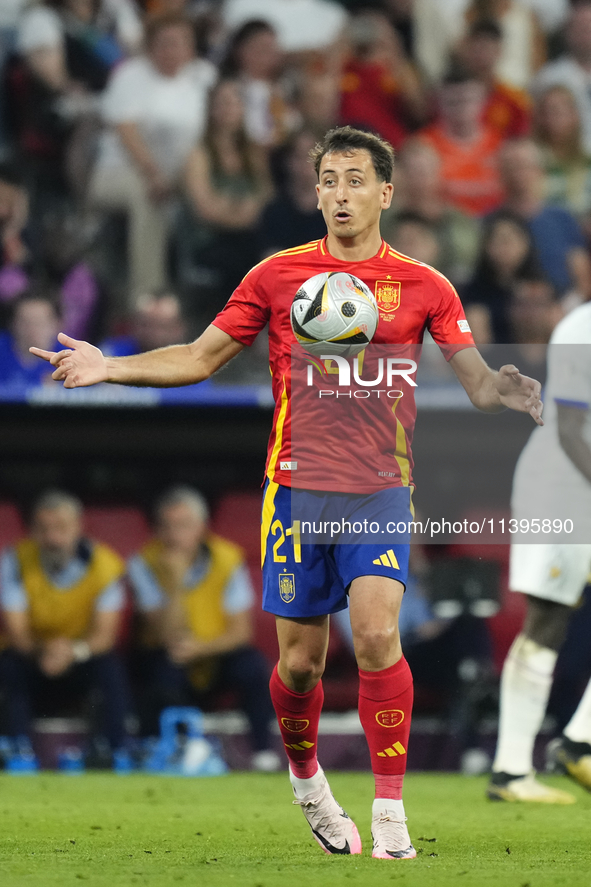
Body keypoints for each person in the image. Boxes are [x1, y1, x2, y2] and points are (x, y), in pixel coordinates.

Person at [31, 125, 543, 861]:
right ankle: (308, 784)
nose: (339, 193)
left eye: (354, 180)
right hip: (296, 495)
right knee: (299, 663)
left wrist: (503, 386)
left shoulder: (425, 286)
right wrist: (109, 367)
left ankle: (391, 810)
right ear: (316, 192)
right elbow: (200, 356)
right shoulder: (276, 276)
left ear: (385, 192)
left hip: (379, 491)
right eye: (328, 180)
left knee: (374, 635)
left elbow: (474, 381)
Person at [488, 301, 591, 802]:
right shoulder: (581, 327)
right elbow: (571, 431)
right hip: (562, 486)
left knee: (549, 624)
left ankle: (578, 743)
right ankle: (514, 770)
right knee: (547, 619)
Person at [128, 486, 280, 772]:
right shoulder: (144, 563)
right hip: (169, 655)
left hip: (214, 652)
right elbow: (163, 635)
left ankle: (263, 753)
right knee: (161, 670)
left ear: (201, 528)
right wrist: (175, 582)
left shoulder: (227, 559)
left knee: (253, 666)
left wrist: (201, 648)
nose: (174, 535)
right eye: (167, 526)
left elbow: (241, 632)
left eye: (184, 526)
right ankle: (174, 750)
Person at [88, 12, 217, 299]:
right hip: (120, 172)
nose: (173, 50)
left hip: (184, 172)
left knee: (218, 194)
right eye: (166, 43)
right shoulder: (130, 75)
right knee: (148, 197)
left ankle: (218, 281)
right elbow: (126, 130)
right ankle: (146, 294)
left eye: (181, 42)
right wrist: (153, 174)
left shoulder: (203, 75)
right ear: (151, 46)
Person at [0, 490, 131, 761]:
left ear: (78, 528)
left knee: (109, 667)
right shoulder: (14, 562)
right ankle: (14, 748)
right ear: (32, 531)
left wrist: (72, 651)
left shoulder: (105, 566)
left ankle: (110, 749)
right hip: (33, 655)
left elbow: (104, 637)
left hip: (81, 656)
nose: (52, 538)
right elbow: (17, 633)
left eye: (61, 528)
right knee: (8, 666)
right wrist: (45, 651)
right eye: (43, 529)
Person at [496, 138, 591, 302]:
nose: (519, 174)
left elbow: (582, 274)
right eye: (512, 167)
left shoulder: (562, 219)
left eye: (524, 167)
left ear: (539, 171)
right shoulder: (490, 222)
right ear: (501, 174)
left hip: (561, 306)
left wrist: (568, 307)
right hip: (507, 309)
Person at [382, 141, 480, 286]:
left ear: (438, 172)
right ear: (400, 175)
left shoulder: (458, 221)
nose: (418, 179)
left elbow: (465, 267)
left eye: (424, 171)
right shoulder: (382, 219)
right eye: (411, 171)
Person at [415, 70, 504, 217]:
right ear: (438, 104)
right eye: (453, 102)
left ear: (484, 101)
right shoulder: (423, 145)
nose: (461, 109)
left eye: (468, 101)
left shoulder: (501, 145)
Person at [338, 10, 428, 151]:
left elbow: (420, 112)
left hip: (392, 144)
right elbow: (318, 106)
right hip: (348, 145)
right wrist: (338, 47)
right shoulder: (341, 68)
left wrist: (394, 50)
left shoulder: (398, 69)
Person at [461, 212, 544, 343]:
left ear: (526, 243)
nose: (505, 247)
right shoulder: (475, 291)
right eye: (498, 240)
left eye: (510, 240)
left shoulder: (540, 285)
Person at [456, 19, 531, 139]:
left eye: (486, 47)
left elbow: (521, 141)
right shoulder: (449, 97)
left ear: (499, 51)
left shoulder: (515, 100)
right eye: (475, 46)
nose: (480, 54)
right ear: (464, 49)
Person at [533, 0, 591, 155]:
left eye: (589, 28)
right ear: (567, 32)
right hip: (562, 161)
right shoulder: (549, 78)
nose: (586, 35)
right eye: (580, 28)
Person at [534, 85, 591, 230]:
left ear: (574, 116)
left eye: (556, 112)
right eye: (544, 112)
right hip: (543, 228)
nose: (549, 119)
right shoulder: (530, 159)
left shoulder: (586, 160)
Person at [99, 291, 187, 358]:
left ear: (178, 328)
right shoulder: (111, 354)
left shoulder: (194, 365)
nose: (153, 333)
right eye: (146, 325)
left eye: (162, 326)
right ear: (134, 324)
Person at [0, 291, 60, 386]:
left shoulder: (73, 358)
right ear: (13, 324)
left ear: (56, 325)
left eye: (39, 323)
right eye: (25, 322)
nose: (32, 329)